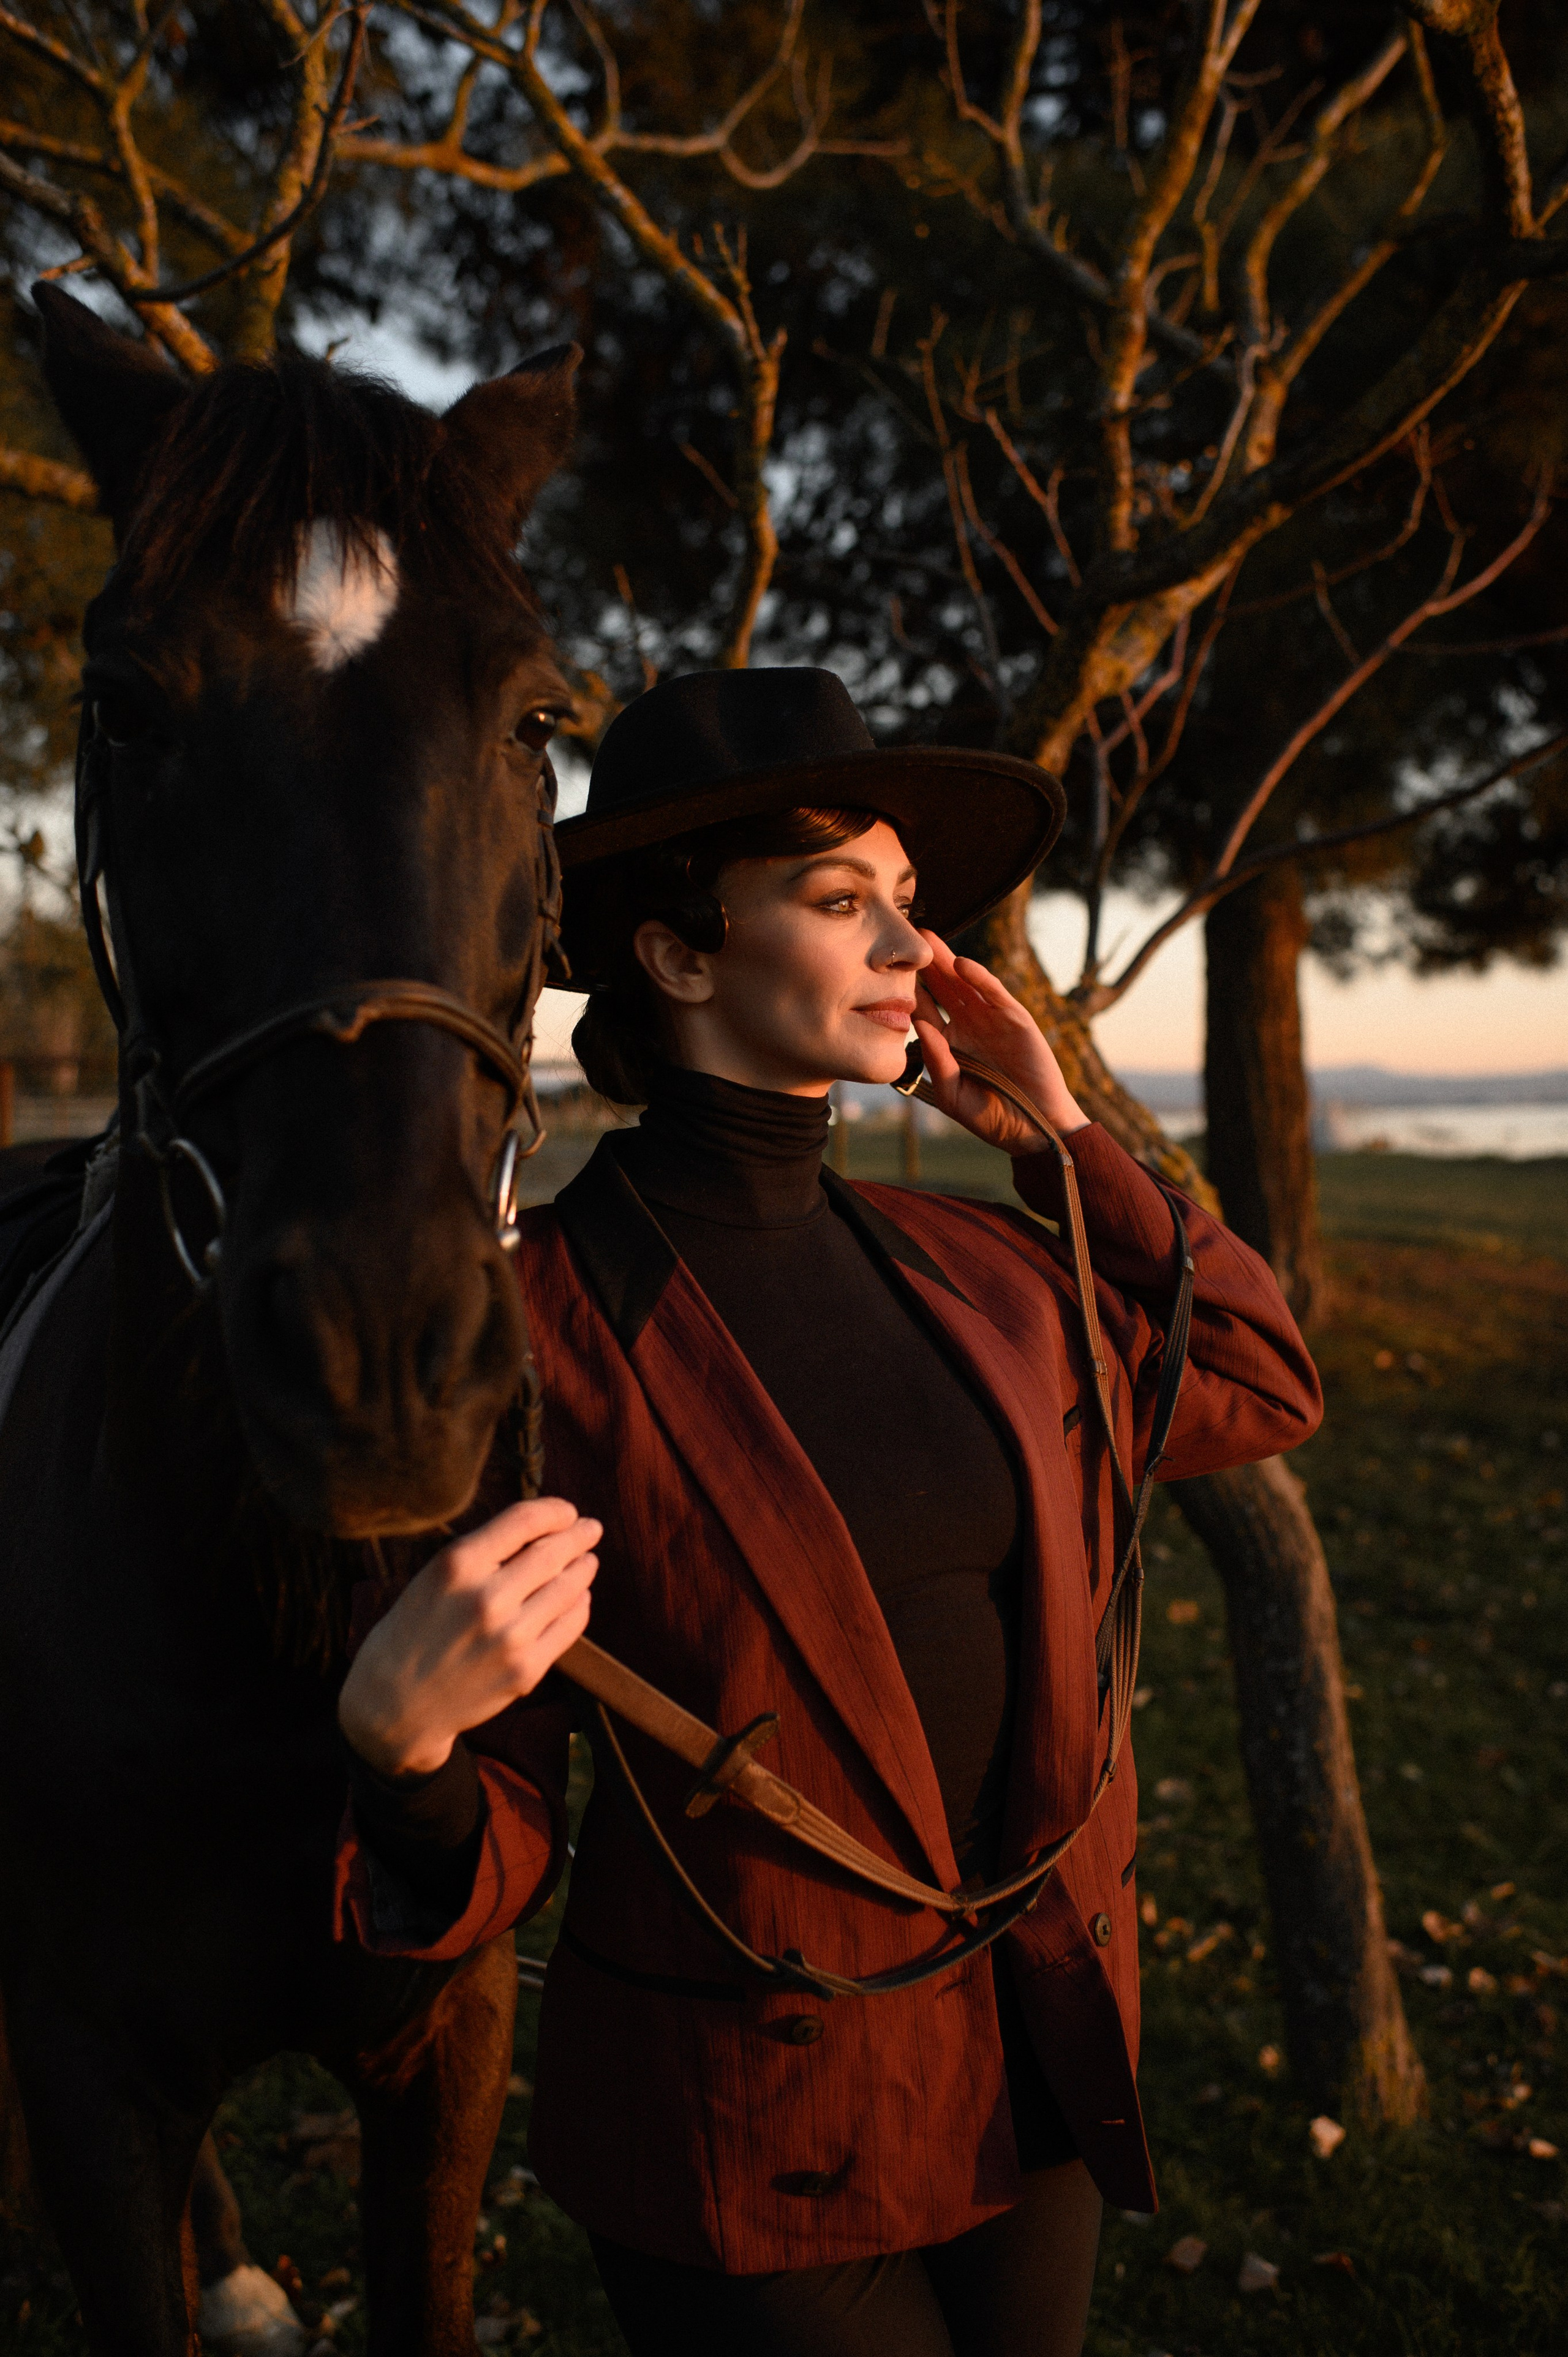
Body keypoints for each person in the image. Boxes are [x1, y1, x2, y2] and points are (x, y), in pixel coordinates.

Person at [333, 668, 1322, 2357]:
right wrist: (401, 1750)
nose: (912, 956)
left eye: (911, 908)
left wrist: (1063, 1133)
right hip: (752, 2121)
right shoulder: (536, 1331)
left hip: (1044, 2050)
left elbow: (1248, 1374)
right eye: (842, 900)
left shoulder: (986, 1272)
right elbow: (497, 1831)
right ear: (677, 953)